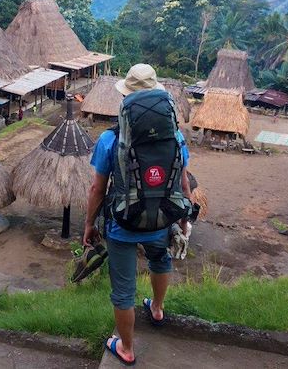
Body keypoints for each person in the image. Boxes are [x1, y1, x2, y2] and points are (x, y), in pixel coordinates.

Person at [83, 64, 192, 366]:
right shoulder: (177, 139)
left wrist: (90, 224)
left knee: (123, 289)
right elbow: (183, 183)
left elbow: (97, 189)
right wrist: (183, 219)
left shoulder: (110, 139)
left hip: (122, 224)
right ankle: (157, 309)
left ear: (125, 99)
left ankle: (127, 348)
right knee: (160, 259)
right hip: (161, 219)